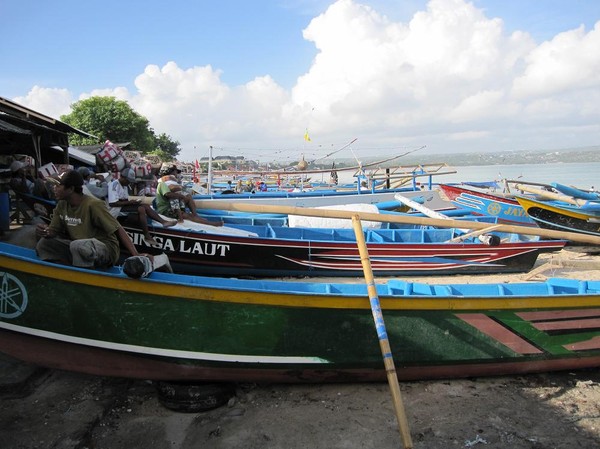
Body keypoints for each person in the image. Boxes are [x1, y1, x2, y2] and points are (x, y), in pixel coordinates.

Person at [35, 169, 140, 268]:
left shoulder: (93, 204)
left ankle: (83, 275)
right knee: (44, 244)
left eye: (58, 186)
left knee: (78, 246)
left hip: (105, 249)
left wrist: (136, 254)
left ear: (71, 189)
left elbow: (118, 229)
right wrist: (46, 231)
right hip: (78, 247)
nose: (54, 188)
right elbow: (53, 231)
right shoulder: (62, 205)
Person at [107, 168, 176, 245]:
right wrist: (130, 202)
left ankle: (163, 222)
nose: (129, 183)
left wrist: (134, 201)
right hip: (115, 210)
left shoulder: (125, 186)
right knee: (141, 209)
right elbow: (112, 203)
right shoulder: (114, 184)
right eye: (128, 180)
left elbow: (124, 199)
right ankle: (147, 236)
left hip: (122, 207)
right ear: (122, 177)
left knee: (145, 206)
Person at [155, 164, 223, 226]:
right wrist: (181, 195)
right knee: (187, 215)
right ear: (172, 172)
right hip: (166, 208)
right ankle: (212, 223)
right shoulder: (163, 183)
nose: (177, 174)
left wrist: (182, 194)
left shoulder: (168, 182)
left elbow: (178, 192)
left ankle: (195, 215)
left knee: (188, 197)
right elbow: (168, 194)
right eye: (176, 172)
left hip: (173, 203)